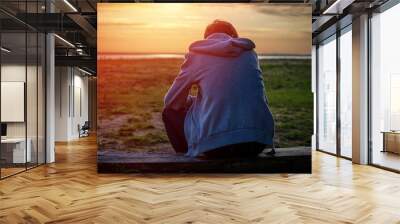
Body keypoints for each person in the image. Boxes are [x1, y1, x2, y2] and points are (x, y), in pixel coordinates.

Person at [163, 20, 275, 158]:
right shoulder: (250, 54)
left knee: (169, 112)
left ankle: (188, 164)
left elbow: (171, 102)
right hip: (256, 142)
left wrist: (189, 102)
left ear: (206, 39)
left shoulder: (199, 54)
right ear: (234, 36)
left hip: (217, 147)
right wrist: (195, 101)